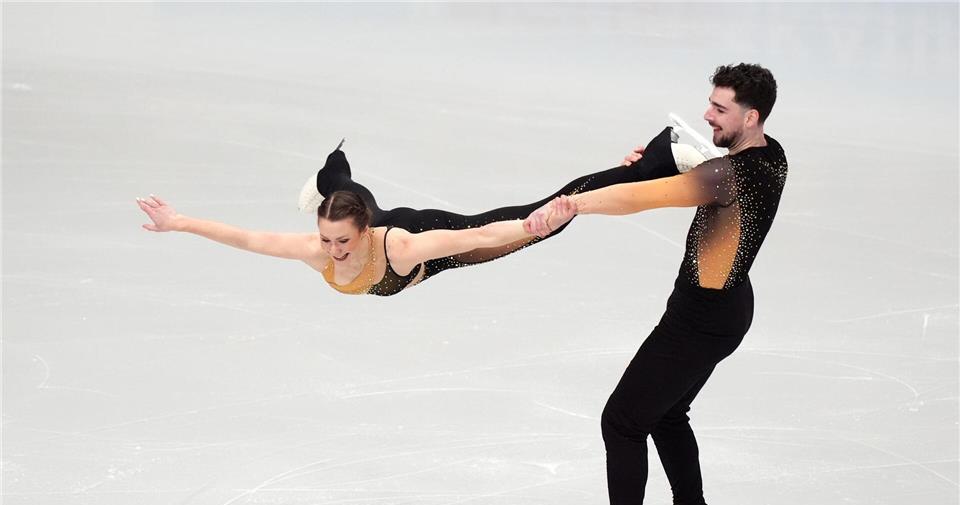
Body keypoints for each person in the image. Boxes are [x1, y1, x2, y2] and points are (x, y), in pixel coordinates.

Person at [524, 63, 788, 505]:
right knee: (666, 414)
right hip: (725, 308)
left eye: (719, 109)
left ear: (750, 115)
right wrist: (649, 165)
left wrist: (577, 202)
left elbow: (649, 198)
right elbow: (701, 171)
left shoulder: (734, 176)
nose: (706, 114)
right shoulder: (769, 155)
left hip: (701, 320)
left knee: (622, 421)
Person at [135, 128, 700, 296]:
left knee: (551, 213)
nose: (333, 252)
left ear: (366, 231)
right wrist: (179, 221)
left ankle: (655, 157)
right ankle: (331, 172)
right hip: (377, 219)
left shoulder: (398, 244)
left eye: (343, 242)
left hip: (435, 237)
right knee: (345, 188)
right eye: (328, 241)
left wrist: (529, 227)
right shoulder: (325, 242)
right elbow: (249, 239)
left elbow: (476, 234)